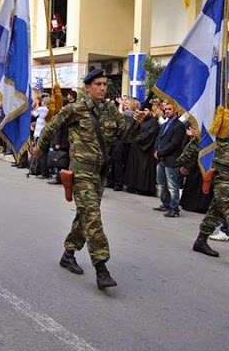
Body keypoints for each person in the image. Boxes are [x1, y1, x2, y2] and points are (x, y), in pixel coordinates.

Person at [34, 69, 144, 289]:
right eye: (98, 84)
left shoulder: (112, 110)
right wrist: (39, 148)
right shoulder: (77, 109)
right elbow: (52, 125)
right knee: (92, 216)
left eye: (105, 84)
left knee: (85, 216)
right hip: (81, 171)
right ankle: (101, 268)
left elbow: (126, 136)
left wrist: (136, 123)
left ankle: (68, 253)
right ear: (88, 87)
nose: (103, 88)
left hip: (101, 172)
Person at [179, 91, 229, 268]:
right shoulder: (216, 124)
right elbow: (198, 143)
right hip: (219, 175)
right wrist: (185, 164)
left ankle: (200, 240)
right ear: (227, 105)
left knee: (216, 211)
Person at [153, 102, 185, 217]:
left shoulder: (179, 126)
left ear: (175, 110)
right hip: (161, 159)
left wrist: (160, 153)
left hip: (171, 159)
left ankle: (174, 208)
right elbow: (158, 139)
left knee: (172, 186)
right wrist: (156, 151)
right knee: (162, 184)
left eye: (169, 109)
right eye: (165, 109)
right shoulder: (164, 125)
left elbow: (174, 144)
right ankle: (165, 204)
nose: (166, 111)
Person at [124, 101, 159, 196]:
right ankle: (132, 186)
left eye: (146, 110)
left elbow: (150, 134)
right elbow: (133, 130)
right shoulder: (141, 120)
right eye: (143, 110)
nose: (144, 113)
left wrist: (138, 139)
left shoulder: (154, 122)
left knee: (144, 169)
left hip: (145, 149)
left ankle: (143, 189)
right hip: (135, 148)